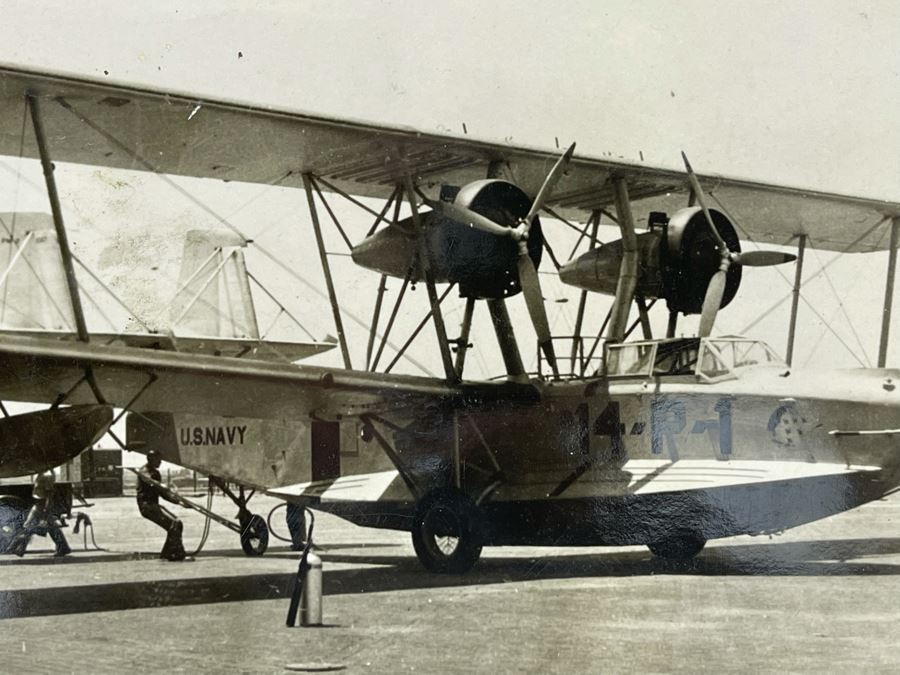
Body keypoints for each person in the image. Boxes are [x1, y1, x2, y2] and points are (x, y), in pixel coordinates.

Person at [137, 450, 186, 561]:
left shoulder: (156, 473)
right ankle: (176, 554)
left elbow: (163, 494)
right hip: (146, 506)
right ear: (150, 459)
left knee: (177, 524)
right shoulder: (144, 471)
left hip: (154, 505)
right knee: (174, 524)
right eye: (158, 459)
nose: (160, 462)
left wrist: (179, 502)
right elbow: (149, 479)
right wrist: (160, 485)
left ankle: (167, 554)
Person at [10, 469, 72, 558]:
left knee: (30, 526)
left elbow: (49, 497)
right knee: (48, 527)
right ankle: (19, 548)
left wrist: (46, 510)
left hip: (41, 507)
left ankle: (18, 547)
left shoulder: (46, 478)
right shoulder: (40, 477)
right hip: (39, 506)